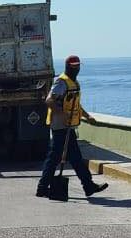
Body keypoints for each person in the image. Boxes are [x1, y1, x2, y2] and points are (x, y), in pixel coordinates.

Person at [36, 55, 108, 198]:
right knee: (55, 158)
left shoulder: (74, 83)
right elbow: (49, 101)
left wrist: (87, 116)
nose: (77, 69)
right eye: (74, 66)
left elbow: (76, 105)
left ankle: (87, 186)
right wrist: (62, 114)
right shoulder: (61, 82)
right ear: (68, 67)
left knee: (74, 158)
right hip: (60, 126)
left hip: (68, 127)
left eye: (78, 66)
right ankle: (43, 188)